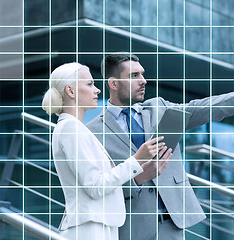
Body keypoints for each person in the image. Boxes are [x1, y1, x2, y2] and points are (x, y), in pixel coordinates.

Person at [86, 54, 234, 239]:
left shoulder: (159, 108)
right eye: (134, 75)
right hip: (131, 229)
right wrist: (137, 179)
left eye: (143, 74)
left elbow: (210, 106)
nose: (143, 80)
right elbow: (95, 188)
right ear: (113, 84)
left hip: (174, 226)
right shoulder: (92, 131)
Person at [41, 62, 173, 239]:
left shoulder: (74, 128)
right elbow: (95, 186)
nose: (97, 90)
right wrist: (136, 160)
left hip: (98, 224)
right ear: (70, 91)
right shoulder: (71, 129)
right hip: (90, 228)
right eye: (89, 84)